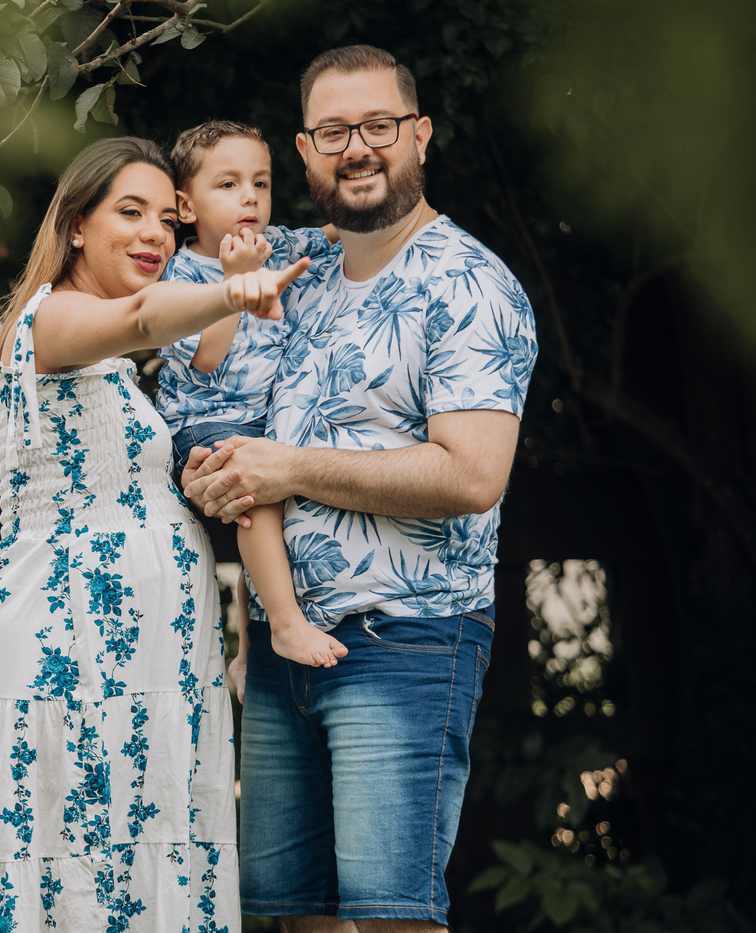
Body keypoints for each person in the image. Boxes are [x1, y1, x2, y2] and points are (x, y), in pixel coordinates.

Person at [0, 136, 308, 933]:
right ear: (77, 225)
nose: (155, 234)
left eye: (167, 220)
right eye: (130, 212)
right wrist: (232, 291)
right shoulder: (54, 318)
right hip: (71, 652)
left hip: (139, 665)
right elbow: (146, 316)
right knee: (69, 866)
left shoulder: (110, 365)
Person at [183, 46, 538, 931]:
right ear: (305, 151)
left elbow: (473, 475)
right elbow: (203, 342)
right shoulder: (296, 269)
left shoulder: (469, 284)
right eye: (335, 132)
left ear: (420, 134)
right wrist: (210, 470)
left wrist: (287, 467)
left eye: (378, 125)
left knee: (391, 915)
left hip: (405, 639)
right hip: (279, 650)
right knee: (294, 913)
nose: (358, 148)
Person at [155, 120, 347, 671]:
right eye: (228, 184)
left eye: (260, 183)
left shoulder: (275, 245)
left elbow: (333, 235)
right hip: (204, 422)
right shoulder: (178, 274)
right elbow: (206, 359)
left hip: (264, 419)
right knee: (256, 503)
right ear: (186, 207)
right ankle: (285, 624)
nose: (250, 197)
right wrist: (233, 284)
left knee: (271, 524)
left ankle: (248, 648)